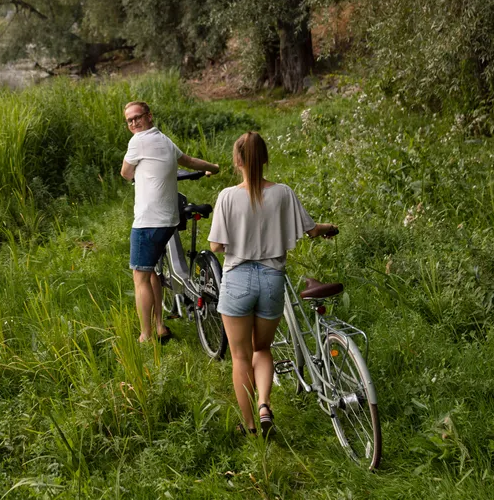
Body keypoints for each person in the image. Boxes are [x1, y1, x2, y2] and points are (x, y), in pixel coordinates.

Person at [208, 131, 337, 435]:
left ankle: (250, 426)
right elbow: (311, 230)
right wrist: (329, 227)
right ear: (265, 158)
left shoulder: (227, 196)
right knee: (262, 349)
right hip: (271, 279)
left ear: (237, 160)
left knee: (240, 357)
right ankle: (265, 404)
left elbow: (215, 245)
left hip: (237, 279)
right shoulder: (283, 193)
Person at [120, 100, 219, 343]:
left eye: (137, 117)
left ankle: (145, 335)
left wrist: (138, 175)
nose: (134, 123)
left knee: (140, 278)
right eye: (129, 120)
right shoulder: (164, 140)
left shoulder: (138, 141)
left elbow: (125, 173)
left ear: (149, 116)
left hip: (148, 221)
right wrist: (214, 167)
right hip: (168, 220)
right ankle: (159, 326)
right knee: (151, 272)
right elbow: (189, 161)